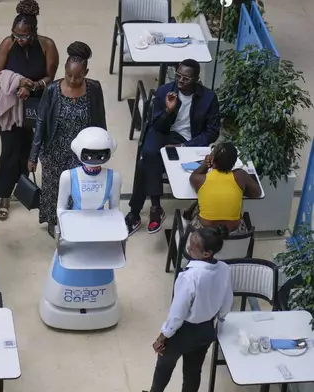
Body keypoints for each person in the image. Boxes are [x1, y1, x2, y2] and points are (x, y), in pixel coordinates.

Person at [126, 59, 221, 236]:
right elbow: (157, 126)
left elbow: (212, 132)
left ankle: (134, 214)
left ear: (196, 79)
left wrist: (184, 146)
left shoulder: (209, 98)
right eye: (178, 76)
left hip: (188, 141)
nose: (180, 81)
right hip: (163, 132)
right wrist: (168, 111)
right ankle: (155, 207)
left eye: (186, 78)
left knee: (143, 164)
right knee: (148, 151)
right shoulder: (164, 91)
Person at [28, 41, 107, 237]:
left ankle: (72, 222)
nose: (72, 80)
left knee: (76, 190)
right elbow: (41, 123)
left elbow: (100, 122)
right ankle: (53, 221)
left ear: (86, 72)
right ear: (64, 68)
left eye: (78, 76)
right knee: (53, 189)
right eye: (69, 75)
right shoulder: (52, 90)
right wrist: (33, 156)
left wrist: (102, 151)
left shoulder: (94, 89)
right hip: (54, 150)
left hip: (80, 152)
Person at [0, 0, 59, 221]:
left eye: (24, 36)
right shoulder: (7, 44)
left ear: (34, 32)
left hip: (35, 105)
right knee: (9, 150)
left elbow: (50, 77)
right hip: (11, 105)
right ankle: (3, 195)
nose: (19, 40)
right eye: (16, 35)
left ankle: (21, 187)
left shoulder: (48, 45)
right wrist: (18, 82)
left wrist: (34, 86)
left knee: (29, 149)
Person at [147, 227, 233, 392]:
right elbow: (227, 301)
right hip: (206, 330)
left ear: (206, 253)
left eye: (192, 248)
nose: (188, 249)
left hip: (183, 332)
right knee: (193, 372)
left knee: (164, 367)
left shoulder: (190, 277)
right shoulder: (224, 268)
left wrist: (161, 338)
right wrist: (220, 319)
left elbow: (177, 315)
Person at [187, 142, 262, 232]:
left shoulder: (201, 180)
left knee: (196, 207)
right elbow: (257, 193)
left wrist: (205, 163)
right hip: (234, 235)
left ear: (213, 159)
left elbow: (194, 175)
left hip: (205, 236)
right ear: (234, 162)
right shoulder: (240, 176)